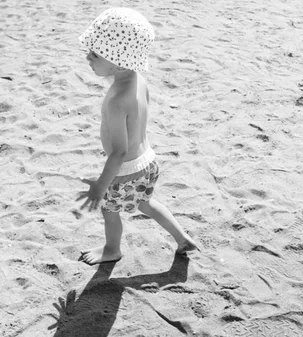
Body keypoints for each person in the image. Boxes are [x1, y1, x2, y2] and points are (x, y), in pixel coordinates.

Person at [76, 7, 199, 266]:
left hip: (126, 171)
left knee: (110, 210)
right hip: (148, 161)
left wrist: (100, 186)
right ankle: (181, 238)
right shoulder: (137, 79)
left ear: (118, 61)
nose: (88, 57)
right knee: (146, 203)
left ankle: (112, 250)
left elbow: (119, 153)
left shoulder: (116, 100)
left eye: (95, 53)